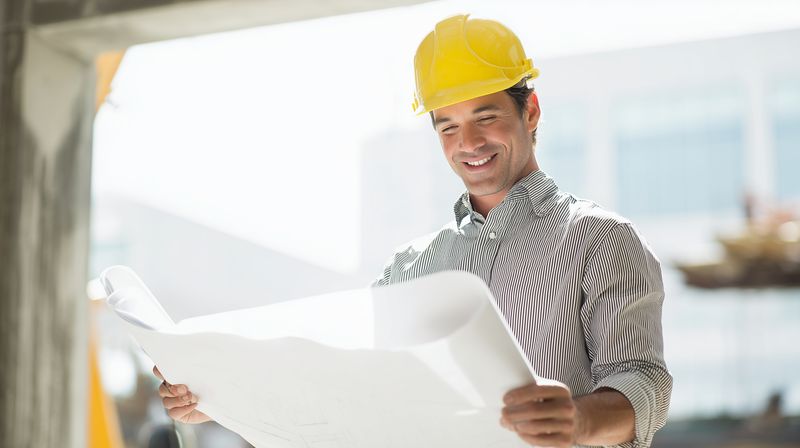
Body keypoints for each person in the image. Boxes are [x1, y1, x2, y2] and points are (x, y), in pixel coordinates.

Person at [155, 14, 672, 448]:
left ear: (530, 111)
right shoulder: (412, 266)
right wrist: (218, 399)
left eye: (485, 117)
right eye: (447, 125)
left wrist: (579, 420)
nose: (467, 142)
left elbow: (644, 381)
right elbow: (345, 382)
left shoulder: (600, 239)